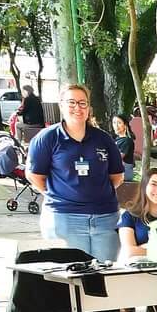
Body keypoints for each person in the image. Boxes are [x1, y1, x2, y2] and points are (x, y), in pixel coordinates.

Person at [26, 84, 125, 261]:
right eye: (71, 103)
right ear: (61, 105)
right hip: (64, 218)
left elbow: (117, 176)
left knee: (105, 276)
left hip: (105, 219)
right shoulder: (47, 138)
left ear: (88, 108)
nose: (77, 108)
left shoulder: (103, 139)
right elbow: (34, 175)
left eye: (82, 103)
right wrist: (60, 195)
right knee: (71, 281)